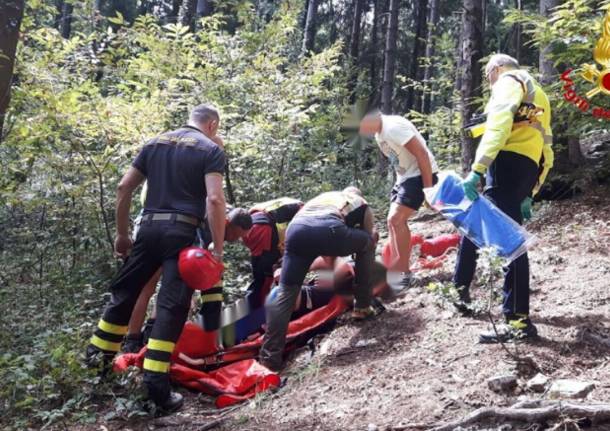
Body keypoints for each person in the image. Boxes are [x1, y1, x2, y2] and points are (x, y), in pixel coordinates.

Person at [85, 104, 227, 413]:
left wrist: (122, 234)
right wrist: (216, 248)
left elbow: (124, 187)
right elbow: (215, 199)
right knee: (171, 306)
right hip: (182, 232)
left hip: (147, 228)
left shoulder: (154, 143)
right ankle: (156, 385)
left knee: (125, 294)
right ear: (212, 124)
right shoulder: (210, 149)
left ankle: (97, 366)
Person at [455, 54, 554, 343]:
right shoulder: (539, 94)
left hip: (506, 163)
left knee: (509, 242)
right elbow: (547, 148)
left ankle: (517, 321)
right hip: (526, 168)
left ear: (496, 69)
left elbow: (498, 125)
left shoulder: (508, 81)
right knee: (477, 224)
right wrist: (532, 190)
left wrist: (477, 169)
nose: (489, 82)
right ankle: (460, 291)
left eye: (488, 77)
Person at [260, 187, 376, 371]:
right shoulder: (361, 204)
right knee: (369, 243)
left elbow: (324, 248)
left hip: (296, 230)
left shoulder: (323, 198)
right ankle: (362, 306)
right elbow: (368, 237)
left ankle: (269, 359)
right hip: (329, 229)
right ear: (359, 195)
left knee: (286, 292)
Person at [122, 207, 253, 353]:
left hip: (163, 227)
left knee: (169, 287)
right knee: (148, 287)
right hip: (158, 230)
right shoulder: (209, 214)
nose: (234, 239)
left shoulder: (220, 219)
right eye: (234, 234)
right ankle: (132, 341)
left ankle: (149, 331)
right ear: (227, 222)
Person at [359, 111, 438, 288]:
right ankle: (397, 270)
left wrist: (428, 189)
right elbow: (398, 160)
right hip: (405, 178)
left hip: (420, 175)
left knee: (396, 219)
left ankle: (404, 275)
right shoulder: (380, 134)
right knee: (391, 222)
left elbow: (422, 154)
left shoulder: (393, 127)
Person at [242, 197, 304, 307]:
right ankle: (260, 309)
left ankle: (253, 304)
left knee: (260, 274)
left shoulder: (288, 203)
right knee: (267, 274)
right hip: (263, 229)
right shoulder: (302, 212)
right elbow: (284, 231)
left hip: (250, 226)